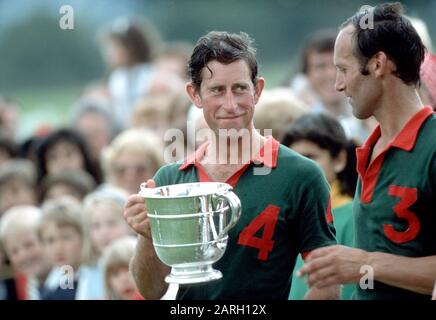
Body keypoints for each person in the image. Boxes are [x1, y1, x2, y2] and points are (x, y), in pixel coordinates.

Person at [123, 31, 339, 300]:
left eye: (239, 89)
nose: (230, 104)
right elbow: (152, 290)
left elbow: (328, 282)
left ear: (257, 90)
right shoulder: (170, 180)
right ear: (195, 95)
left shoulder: (300, 175)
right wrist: (147, 236)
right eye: (216, 90)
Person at [298, 3, 436, 300]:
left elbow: (367, 266)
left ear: (377, 64)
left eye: (343, 69)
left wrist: (364, 264)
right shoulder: (371, 146)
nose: (337, 84)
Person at [282, 113, 357, 299]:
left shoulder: (354, 215)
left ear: (339, 160)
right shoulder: (284, 212)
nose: (301, 168)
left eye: (310, 157)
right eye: (294, 159)